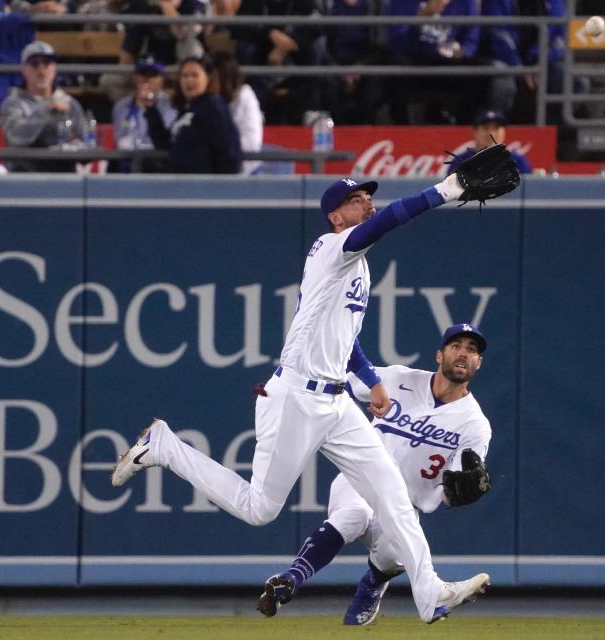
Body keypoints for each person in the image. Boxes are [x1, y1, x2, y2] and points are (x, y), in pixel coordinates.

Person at [111, 170, 501, 624]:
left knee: (392, 491)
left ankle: (429, 593)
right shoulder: (334, 247)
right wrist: (444, 192)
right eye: (356, 200)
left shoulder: (358, 264)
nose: (367, 204)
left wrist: (371, 380)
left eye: (367, 198)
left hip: (336, 401)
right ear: (336, 216)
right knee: (260, 509)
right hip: (296, 394)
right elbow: (389, 220)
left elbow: (345, 336)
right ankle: (164, 447)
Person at [256, 323, 493, 624]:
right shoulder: (397, 379)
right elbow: (343, 372)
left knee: (392, 561)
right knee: (352, 515)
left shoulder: (475, 425)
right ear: (439, 354)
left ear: (478, 363)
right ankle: (290, 579)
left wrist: (462, 491)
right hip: (359, 479)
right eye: (456, 346)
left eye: (472, 350)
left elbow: (454, 490)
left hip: (403, 508)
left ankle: (373, 584)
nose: (463, 354)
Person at [0, 40, 91, 172]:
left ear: (54, 68)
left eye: (47, 63)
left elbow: (88, 143)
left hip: (64, 179)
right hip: (24, 179)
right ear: (24, 70)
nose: (41, 70)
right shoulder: (13, 104)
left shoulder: (70, 103)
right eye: (35, 64)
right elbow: (15, 137)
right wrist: (45, 111)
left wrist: (71, 147)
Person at [228, 0, 324, 124]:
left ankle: (309, 109)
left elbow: (318, 25)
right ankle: (255, 108)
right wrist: (270, 34)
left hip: (294, 47)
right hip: (262, 47)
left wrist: (286, 46)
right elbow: (238, 28)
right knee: (244, 47)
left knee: (316, 45)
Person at [386, 0, 481, 125]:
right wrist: (421, 18)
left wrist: (463, 52)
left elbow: (471, 40)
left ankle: (464, 131)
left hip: (450, 65)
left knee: (478, 73)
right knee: (396, 67)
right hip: (415, 63)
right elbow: (396, 43)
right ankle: (400, 132)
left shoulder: (466, 2)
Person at [144, 55, 242, 174]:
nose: (189, 80)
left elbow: (228, 150)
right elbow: (167, 144)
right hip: (181, 186)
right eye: (184, 76)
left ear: (208, 79)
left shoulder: (213, 106)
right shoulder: (186, 111)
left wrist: (222, 186)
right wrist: (151, 110)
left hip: (204, 187)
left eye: (195, 75)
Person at [320, 0, 390, 125]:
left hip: (367, 64)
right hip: (332, 64)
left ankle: (361, 129)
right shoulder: (327, 4)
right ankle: (340, 130)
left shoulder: (378, 4)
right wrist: (337, 69)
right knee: (325, 82)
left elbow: (381, 45)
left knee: (374, 83)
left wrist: (359, 67)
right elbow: (321, 44)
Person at [110, 55, 177, 173]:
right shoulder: (121, 106)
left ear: (162, 79)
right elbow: (119, 140)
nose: (147, 80)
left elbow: (163, 141)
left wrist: (149, 104)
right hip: (126, 162)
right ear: (135, 77)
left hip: (156, 164)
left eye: (153, 75)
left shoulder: (171, 105)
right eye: (143, 74)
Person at [208, 50, 263, 175]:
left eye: (212, 77)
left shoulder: (245, 95)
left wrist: (217, 147)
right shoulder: (204, 100)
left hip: (244, 174)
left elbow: (252, 145)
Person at [445, 110, 532, 175]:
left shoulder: (517, 160)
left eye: (496, 128)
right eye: (486, 128)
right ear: (475, 132)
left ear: (504, 132)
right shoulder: (460, 161)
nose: (491, 133)